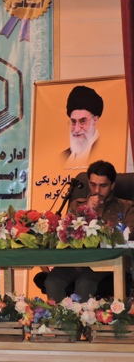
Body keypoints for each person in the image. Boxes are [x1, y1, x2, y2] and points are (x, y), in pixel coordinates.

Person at [43, 160, 134, 302]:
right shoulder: (77, 205)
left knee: (84, 283)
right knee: (52, 282)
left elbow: (128, 236)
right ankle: (61, 315)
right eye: (93, 185)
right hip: (77, 261)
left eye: (103, 186)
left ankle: (82, 316)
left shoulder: (126, 207)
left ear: (112, 185)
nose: (97, 191)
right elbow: (67, 235)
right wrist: (87, 210)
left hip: (108, 262)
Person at [61, 85, 103, 169]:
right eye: (73, 122)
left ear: (95, 121)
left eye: (83, 121)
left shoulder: (105, 152)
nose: (76, 129)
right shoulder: (63, 156)